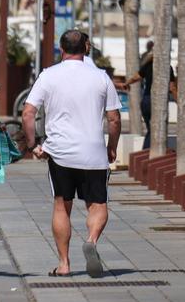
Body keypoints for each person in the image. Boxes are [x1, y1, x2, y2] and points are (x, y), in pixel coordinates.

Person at [22, 30, 121, 278]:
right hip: (93, 152)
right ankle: (91, 240)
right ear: (86, 48)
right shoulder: (101, 77)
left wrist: (33, 144)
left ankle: (64, 264)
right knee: (97, 205)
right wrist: (112, 146)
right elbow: (114, 118)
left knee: (61, 207)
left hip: (60, 153)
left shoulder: (49, 76)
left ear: (61, 48)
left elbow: (28, 113)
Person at [125, 40, 175, 146]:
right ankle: (148, 153)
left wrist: (127, 83)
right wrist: (178, 99)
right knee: (154, 131)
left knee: (151, 129)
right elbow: (172, 87)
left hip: (146, 101)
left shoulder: (148, 65)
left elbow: (136, 77)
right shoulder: (167, 67)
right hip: (157, 102)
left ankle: (148, 152)